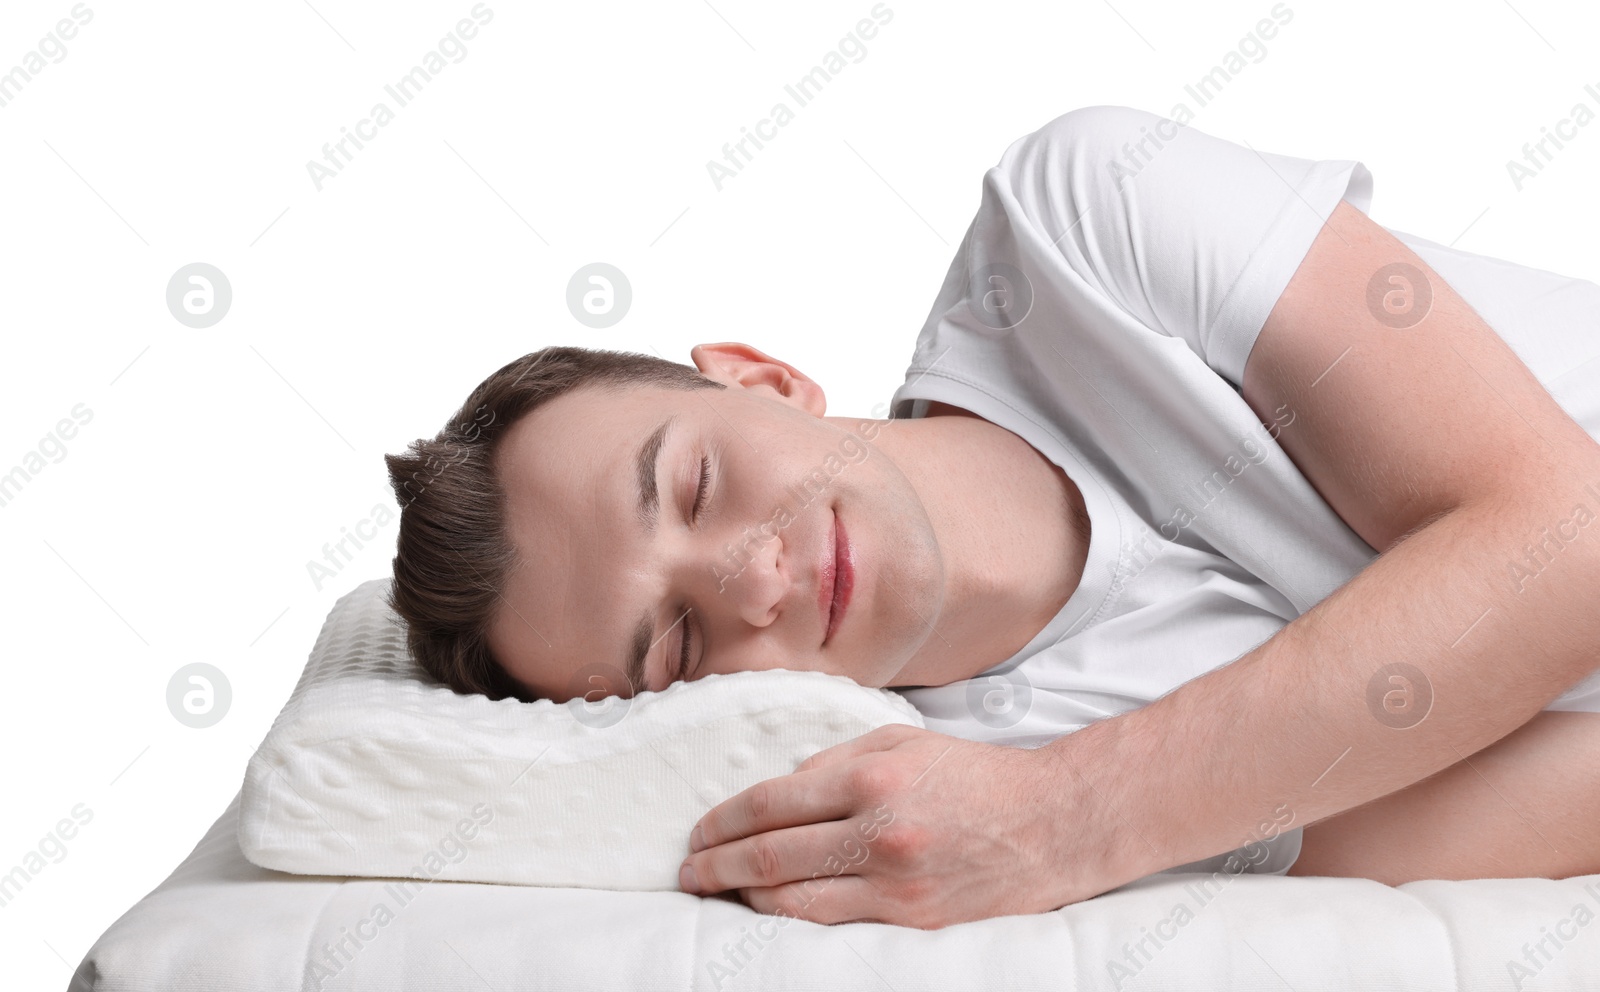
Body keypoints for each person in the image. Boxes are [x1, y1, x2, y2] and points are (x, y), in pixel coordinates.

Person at [384, 105, 1600, 929]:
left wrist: (1070, 818)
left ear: (761, 376)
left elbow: (1571, 537)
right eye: (680, 643)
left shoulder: (1078, 223)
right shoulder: (953, 792)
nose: (755, 578)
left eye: (695, 484)